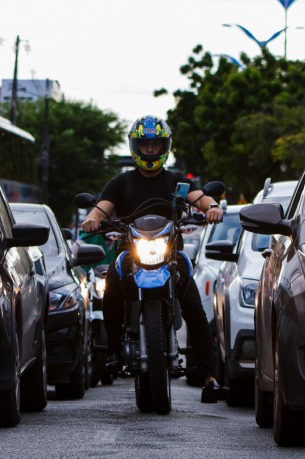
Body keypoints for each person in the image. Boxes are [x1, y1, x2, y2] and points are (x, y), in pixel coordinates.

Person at [82, 115, 229, 403]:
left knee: (195, 309)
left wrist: (212, 208)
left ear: (165, 147)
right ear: (135, 147)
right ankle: (112, 352)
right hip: (130, 254)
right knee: (110, 290)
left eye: (155, 144)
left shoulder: (177, 181)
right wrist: (92, 218)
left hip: (170, 255)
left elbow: (201, 198)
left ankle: (210, 377)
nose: (150, 149)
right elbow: (100, 210)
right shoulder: (120, 182)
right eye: (144, 144)